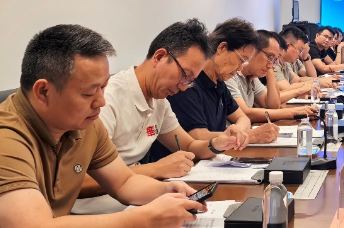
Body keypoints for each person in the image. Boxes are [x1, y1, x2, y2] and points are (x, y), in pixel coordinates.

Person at [0, 25, 205, 228]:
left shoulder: (85, 125)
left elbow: (124, 182)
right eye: (88, 93)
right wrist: (146, 219)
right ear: (43, 92)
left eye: (103, 87)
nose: (101, 102)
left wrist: (167, 191)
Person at [73, 19, 253, 214]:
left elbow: (188, 146)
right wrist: (156, 169)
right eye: (185, 75)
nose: (183, 87)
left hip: (136, 199)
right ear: (159, 57)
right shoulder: (107, 101)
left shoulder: (159, 101)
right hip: (98, 211)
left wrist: (217, 143)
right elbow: (78, 181)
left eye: (191, 81)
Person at [152, 19, 281, 162]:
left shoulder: (219, 83)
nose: (240, 68)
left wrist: (238, 132)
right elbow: (197, 137)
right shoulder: (187, 85)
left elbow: (243, 117)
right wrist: (251, 136)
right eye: (241, 60)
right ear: (222, 48)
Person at [227, 30, 319, 123]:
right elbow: (243, 113)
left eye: (275, 59)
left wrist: (269, 70)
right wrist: (292, 113)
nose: (273, 64)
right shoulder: (230, 74)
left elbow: (273, 105)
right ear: (252, 51)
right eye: (270, 56)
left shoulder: (252, 77)